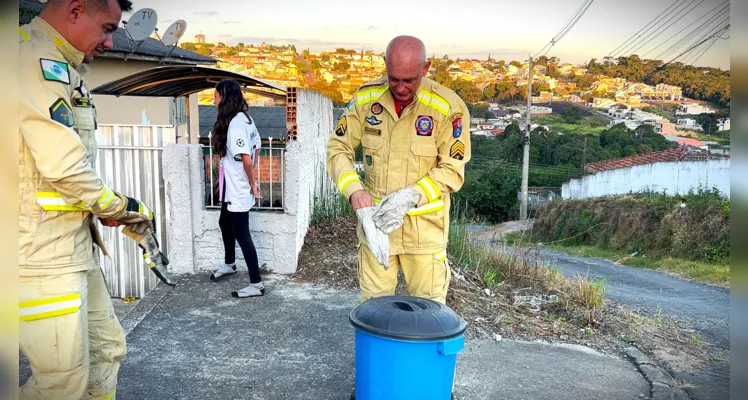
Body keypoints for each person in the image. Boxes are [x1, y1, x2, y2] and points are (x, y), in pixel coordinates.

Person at [18, 0, 159, 399]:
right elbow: (64, 168)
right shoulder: (30, 60)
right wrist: (122, 207)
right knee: (61, 384)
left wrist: (108, 210)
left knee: (105, 351)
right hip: (38, 258)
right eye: (107, 28)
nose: (111, 43)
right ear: (76, 10)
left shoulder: (64, 69)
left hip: (73, 249)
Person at [327, 35, 472, 306]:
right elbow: (338, 148)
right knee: (373, 311)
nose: (401, 88)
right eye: (394, 79)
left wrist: (412, 195)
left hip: (424, 233)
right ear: (384, 64)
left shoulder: (448, 107)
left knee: (430, 314)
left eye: (409, 80)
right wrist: (355, 193)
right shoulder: (366, 98)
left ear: (425, 69)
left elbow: (453, 170)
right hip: (376, 227)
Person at [207, 79, 265, 298]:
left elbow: (247, 159)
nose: (214, 102)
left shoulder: (236, 124)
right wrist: (249, 173)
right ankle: (230, 264)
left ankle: (256, 284)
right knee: (224, 222)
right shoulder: (245, 118)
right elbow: (258, 145)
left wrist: (251, 182)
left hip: (238, 188)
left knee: (242, 234)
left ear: (225, 98)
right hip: (231, 187)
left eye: (216, 97)